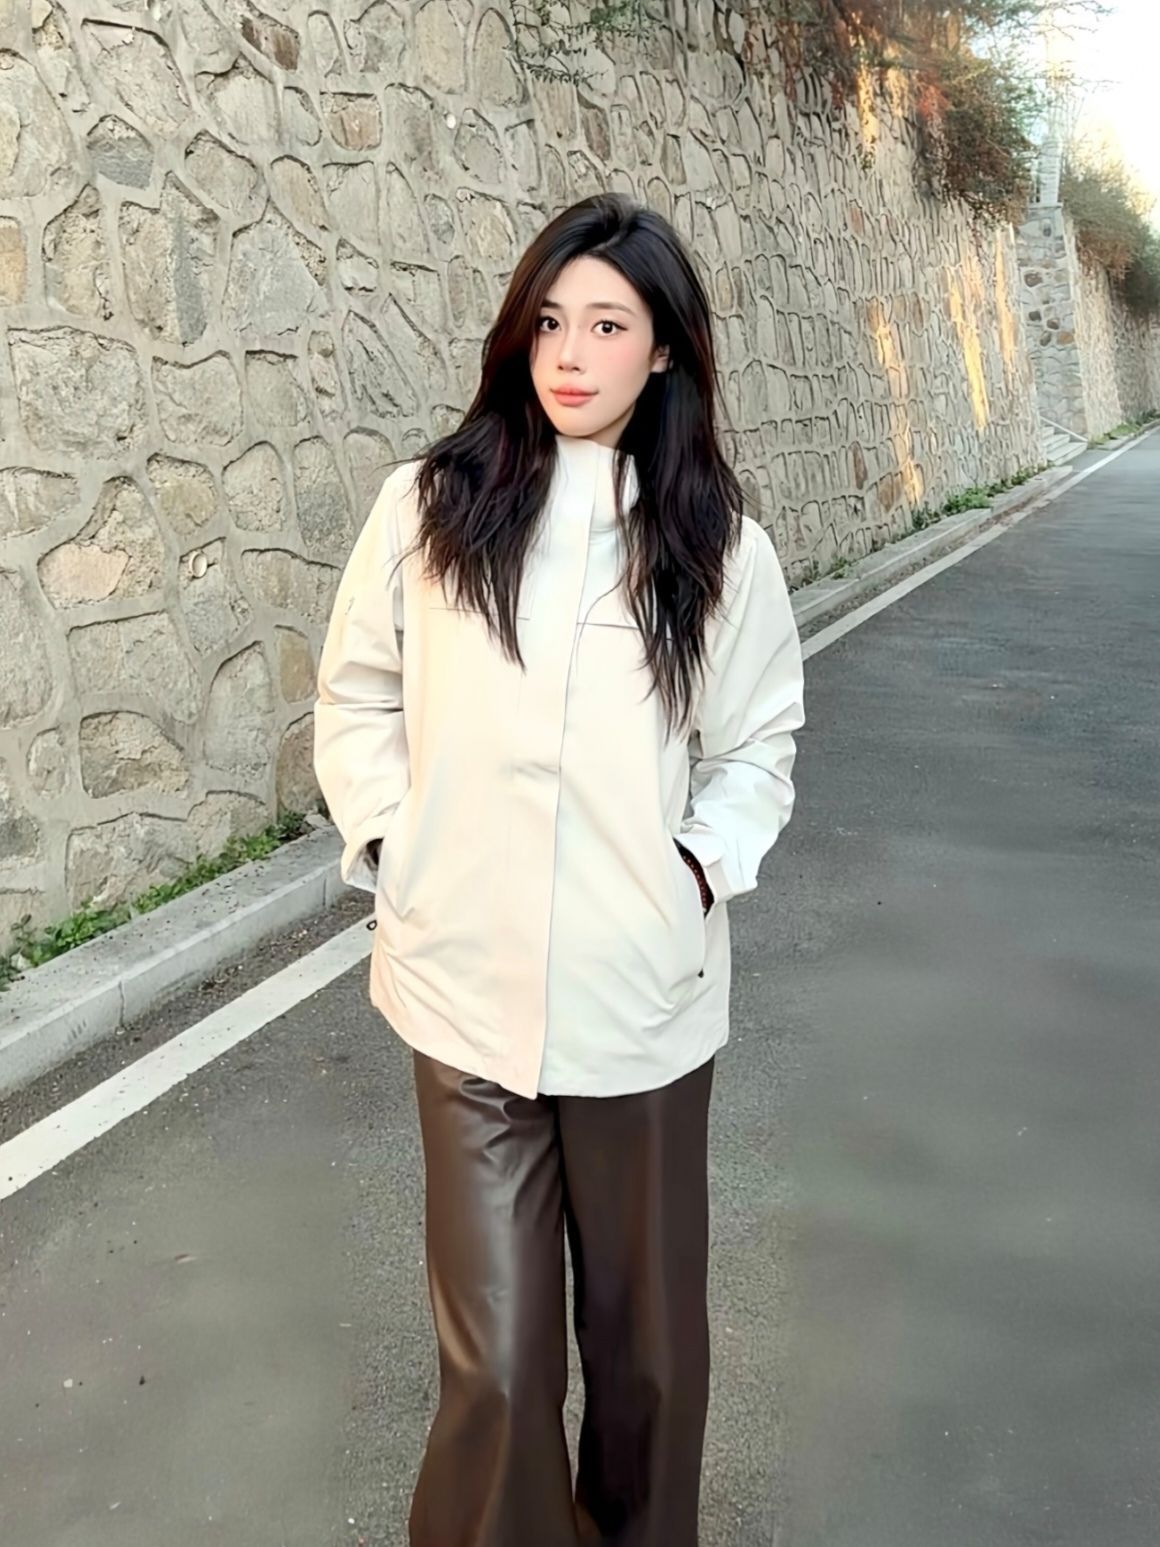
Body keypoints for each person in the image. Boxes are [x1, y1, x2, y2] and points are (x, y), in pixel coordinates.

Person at [313, 193, 805, 1547]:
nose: (571, 355)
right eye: (549, 322)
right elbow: (357, 692)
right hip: (463, 989)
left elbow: (757, 744)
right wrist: (398, 842)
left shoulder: (715, 545)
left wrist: (695, 869)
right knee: (500, 1363)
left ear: (665, 351)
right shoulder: (431, 506)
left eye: (608, 326)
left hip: (636, 1001)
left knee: (647, 1361)